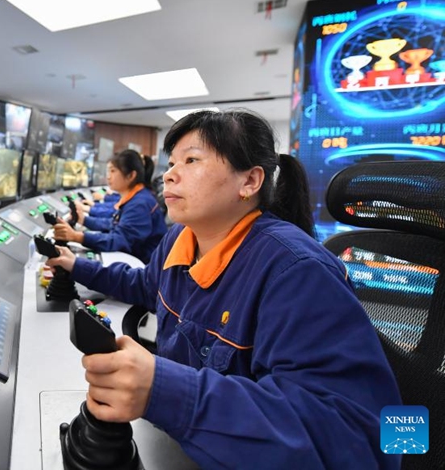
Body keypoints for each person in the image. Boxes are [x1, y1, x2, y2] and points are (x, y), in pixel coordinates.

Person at [47, 109, 402, 469]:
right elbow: (144, 284)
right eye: (171, 162)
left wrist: (165, 390)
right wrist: (76, 265)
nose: (170, 174)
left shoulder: (298, 272)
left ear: (249, 182)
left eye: (191, 160)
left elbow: (356, 440)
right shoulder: (180, 240)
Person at [53, 150, 167, 264]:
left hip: (145, 267)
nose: (108, 177)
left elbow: (119, 241)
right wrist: (84, 220)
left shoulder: (140, 204)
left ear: (131, 175)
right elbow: (114, 224)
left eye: (113, 171)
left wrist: (77, 237)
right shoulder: (137, 198)